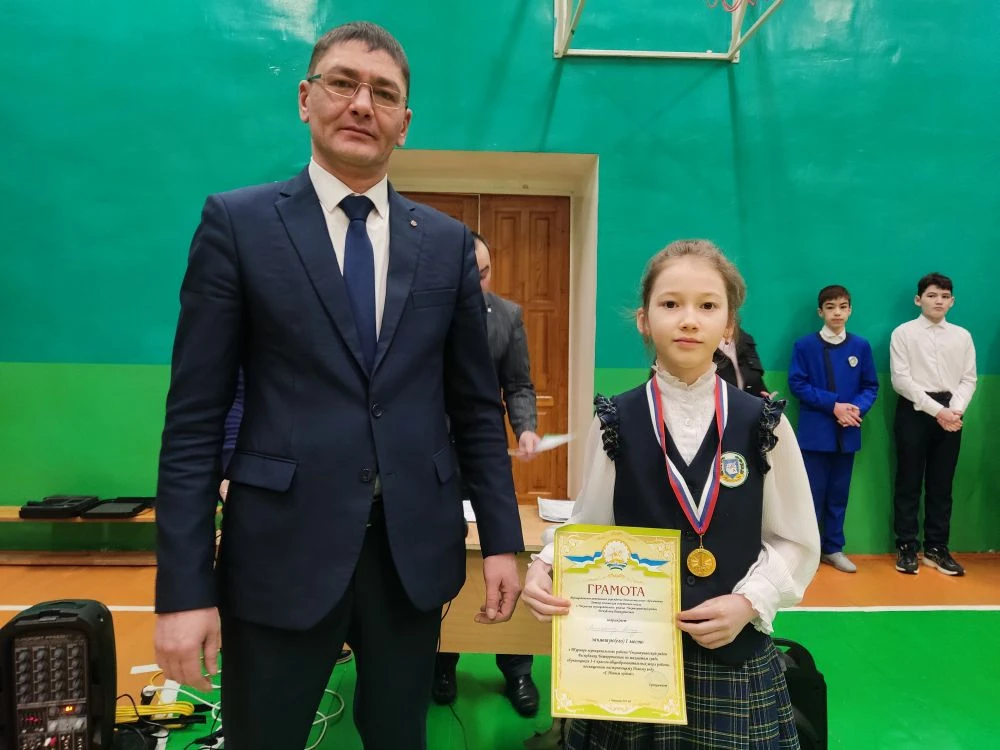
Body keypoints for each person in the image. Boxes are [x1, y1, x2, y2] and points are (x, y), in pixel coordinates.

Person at [154, 22, 524, 750]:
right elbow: (194, 421)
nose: (361, 104)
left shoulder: (446, 243)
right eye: (343, 83)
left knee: (398, 736)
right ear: (306, 98)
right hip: (280, 551)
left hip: (411, 556)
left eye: (383, 93)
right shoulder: (238, 224)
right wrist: (184, 590)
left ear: (404, 122)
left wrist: (502, 541)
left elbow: (477, 410)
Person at [521, 239, 820, 749]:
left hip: (731, 656)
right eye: (670, 303)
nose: (688, 320)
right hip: (632, 657)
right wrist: (546, 565)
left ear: (729, 325)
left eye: (707, 306)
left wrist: (749, 602)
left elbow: (794, 539)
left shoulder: (763, 423)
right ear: (644, 319)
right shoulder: (615, 419)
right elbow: (591, 523)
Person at [432, 233, 541, 716]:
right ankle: (442, 662)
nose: (479, 283)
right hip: (430, 457)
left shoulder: (507, 317)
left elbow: (518, 383)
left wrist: (526, 427)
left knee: (501, 551)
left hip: (483, 453)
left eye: (485, 272)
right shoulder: (423, 314)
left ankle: (517, 668)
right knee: (441, 556)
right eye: (469, 274)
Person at [890, 272, 977, 576]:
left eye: (944, 296)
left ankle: (937, 549)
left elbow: (968, 379)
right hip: (914, 411)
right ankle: (906, 547)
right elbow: (901, 380)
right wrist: (937, 411)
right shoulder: (903, 333)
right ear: (918, 299)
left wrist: (955, 410)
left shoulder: (962, 336)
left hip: (952, 413)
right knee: (909, 481)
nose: (938, 301)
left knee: (942, 483)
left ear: (952, 301)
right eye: (931, 295)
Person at [787, 285, 879, 574]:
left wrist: (855, 410)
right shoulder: (805, 346)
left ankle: (833, 548)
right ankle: (807, 552)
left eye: (842, 307)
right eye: (830, 307)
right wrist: (834, 405)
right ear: (820, 312)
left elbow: (870, 386)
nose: (837, 313)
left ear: (850, 310)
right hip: (815, 434)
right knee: (811, 495)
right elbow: (798, 384)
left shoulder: (860, 346)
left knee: (838, 495)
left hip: (847, 433)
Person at [715, 327, 770, 396]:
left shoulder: (745, 338)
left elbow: (756, 381)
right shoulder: (705, 344)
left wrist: (765, 399)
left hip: (751, 401)